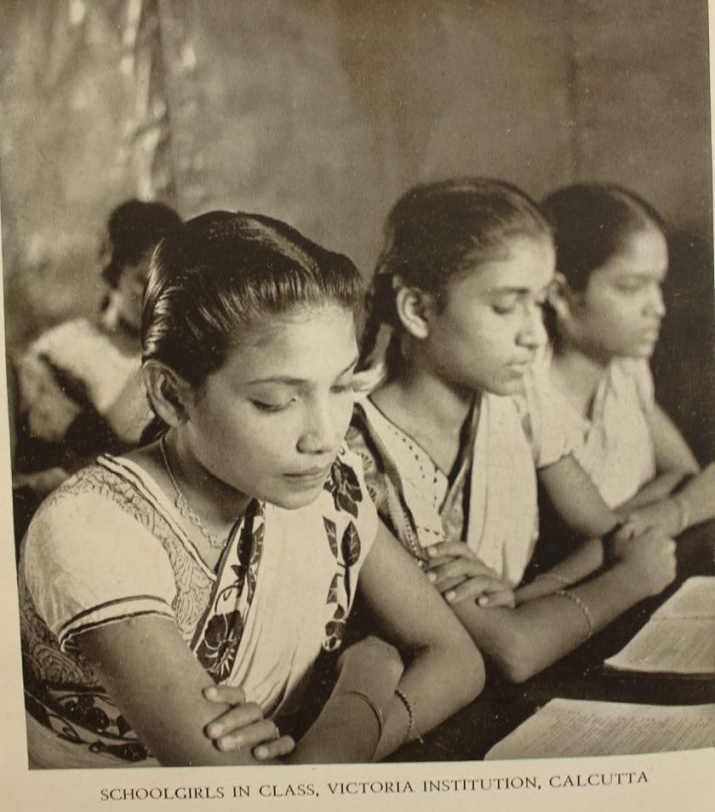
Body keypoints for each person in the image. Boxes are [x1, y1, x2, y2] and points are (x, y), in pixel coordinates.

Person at [18, 210, 483, 769]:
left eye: (342, 387)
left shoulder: (328, 483)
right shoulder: (91, 527)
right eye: (275, 401)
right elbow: (255, 797)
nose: (326, 437)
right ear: (171, 395)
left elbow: (459, 660)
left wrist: (326, 753)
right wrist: (368, 676)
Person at [347, 178, 676, 683]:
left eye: (537, 303)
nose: (535, 335)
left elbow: (606, 532)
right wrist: (634, 579)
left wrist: (522, 597)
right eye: (504, 306)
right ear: (418, 310)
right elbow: (513, 650)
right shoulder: (365, 457)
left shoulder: (514, 397)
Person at [541, 183, 715, 536]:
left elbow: (684, 472)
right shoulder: (531, 397)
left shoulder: (624, 368)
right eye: (631, 287)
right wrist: (672, 509)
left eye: (658, 284)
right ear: (561, 294)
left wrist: (635, 521)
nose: (658, 307)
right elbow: (598, 533)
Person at [12, 199, 182, 505]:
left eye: (167, 283)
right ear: (115, 271)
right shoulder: (66, 349)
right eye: (143, 281)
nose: (155, 297)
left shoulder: (184, 359)